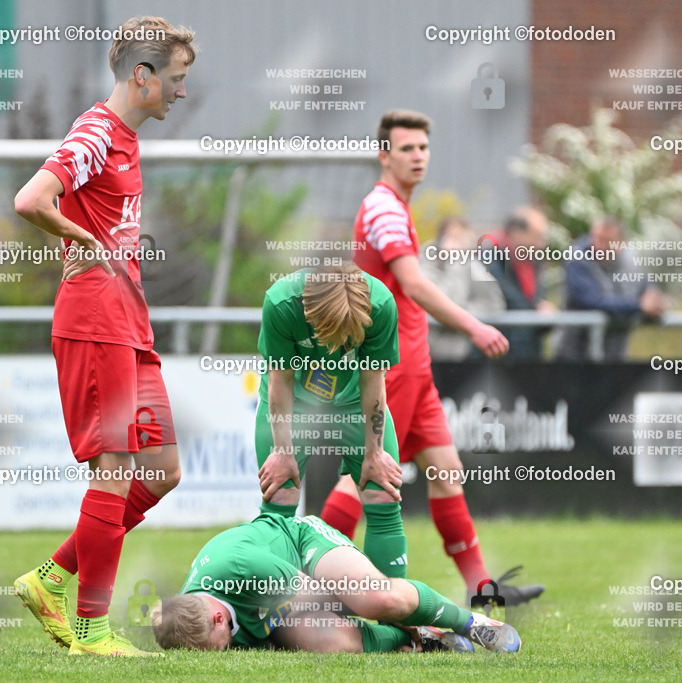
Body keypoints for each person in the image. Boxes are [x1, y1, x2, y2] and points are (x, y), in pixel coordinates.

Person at [11, 16, 197, 657]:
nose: (179, 92)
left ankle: (51, 577)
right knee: (115, 467)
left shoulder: (125, 136)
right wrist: (80, 238)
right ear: (141, 75)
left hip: (129, 323)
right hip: (95, 320)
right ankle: (91, 630)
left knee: (164, 470)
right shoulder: (95, 131)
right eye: (174, 80)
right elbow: (31, 199)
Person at [317, 110, 543, 607]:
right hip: (386, 367)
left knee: (445, 469)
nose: (418, 157)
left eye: (423, 148)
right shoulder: (383, 208)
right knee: (361, 475)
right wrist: (475, 324)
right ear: (384, 155)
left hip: (413, 368)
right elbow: (415, 284)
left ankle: (481, 588)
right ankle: (307, 584)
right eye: (407, 149)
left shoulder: (396, 205)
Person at [151, 513, 521, 653]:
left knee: (375, 599)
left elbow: (323, 595)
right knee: (334, 644)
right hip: (273, 607)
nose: (224, 653)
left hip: (302, 550)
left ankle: (471, 623)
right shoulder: (186, 617)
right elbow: (158, 613)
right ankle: (425, 638)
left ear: (219, 619)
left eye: (221, 647)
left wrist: (382, 615)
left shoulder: (241, 566)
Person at [255, 262, 408, 581]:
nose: (339, 349)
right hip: (293, 399)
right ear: (309, 314)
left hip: (354, 398)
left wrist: (374, 452)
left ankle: (395, 616)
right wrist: (283, 452)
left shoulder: (380, 305)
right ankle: (281, 620)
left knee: (383, 491)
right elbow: (280, 380)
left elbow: (373, 381)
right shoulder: (282, 303)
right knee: (279, 499)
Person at [554, 216, 668, 361]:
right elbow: (592, 301)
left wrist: (656, 304)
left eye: (607, 241)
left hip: (614, 355)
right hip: (572, 355)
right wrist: (639, 305)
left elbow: (649, 292)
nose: (600, 246)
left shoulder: (633, 263)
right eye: (596, 239)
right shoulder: (577, 259)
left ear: (622, 243)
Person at [420, 217, 505, 361]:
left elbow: (494, 304)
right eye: (454, 237)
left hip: (465, 354)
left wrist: (461, 317)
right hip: (428, 353)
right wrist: (455, 262)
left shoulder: (474, 266)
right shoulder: (424, 262)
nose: (459, 244)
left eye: (463, 239)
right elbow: (438, 303)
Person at [484, 207, 557, 359]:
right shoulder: (489, 256)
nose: (542, 243)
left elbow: (535, 300)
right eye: (538, 237)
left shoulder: (533, 260)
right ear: (517, 234)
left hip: (529, 353)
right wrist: (537, 309)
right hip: (497, 356)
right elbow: (507, 298)